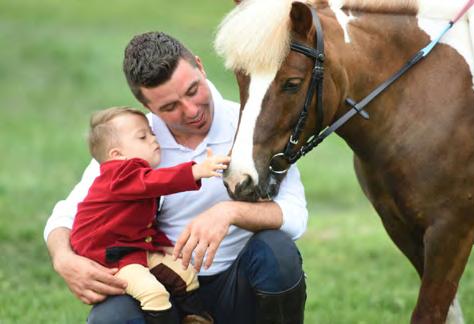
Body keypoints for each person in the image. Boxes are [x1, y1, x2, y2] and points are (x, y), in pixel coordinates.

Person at [44, 31, 308, 324]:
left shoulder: (251, 128)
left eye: (193, 90)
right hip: (162, 287)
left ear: (200, 66)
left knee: (278, 252)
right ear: (149, 108)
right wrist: (63, 259)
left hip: (239, 283)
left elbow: (296, 216)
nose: (191, 111)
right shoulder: (134, 143)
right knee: (110, 318)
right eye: (170, 107)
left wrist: (229, 212)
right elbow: (65, 216)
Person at [70, 106, 230, 323]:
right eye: (142, 136)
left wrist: (160, 244)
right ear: (117, 155)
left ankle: (195, 317)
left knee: (185, 273)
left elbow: (139, 224)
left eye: (152, 133)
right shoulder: (119, 175)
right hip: (110, 258)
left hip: (134, 249)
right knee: (153, 293)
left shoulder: (133, 180)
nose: (154, 140)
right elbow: (155, 182)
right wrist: (196, 171)